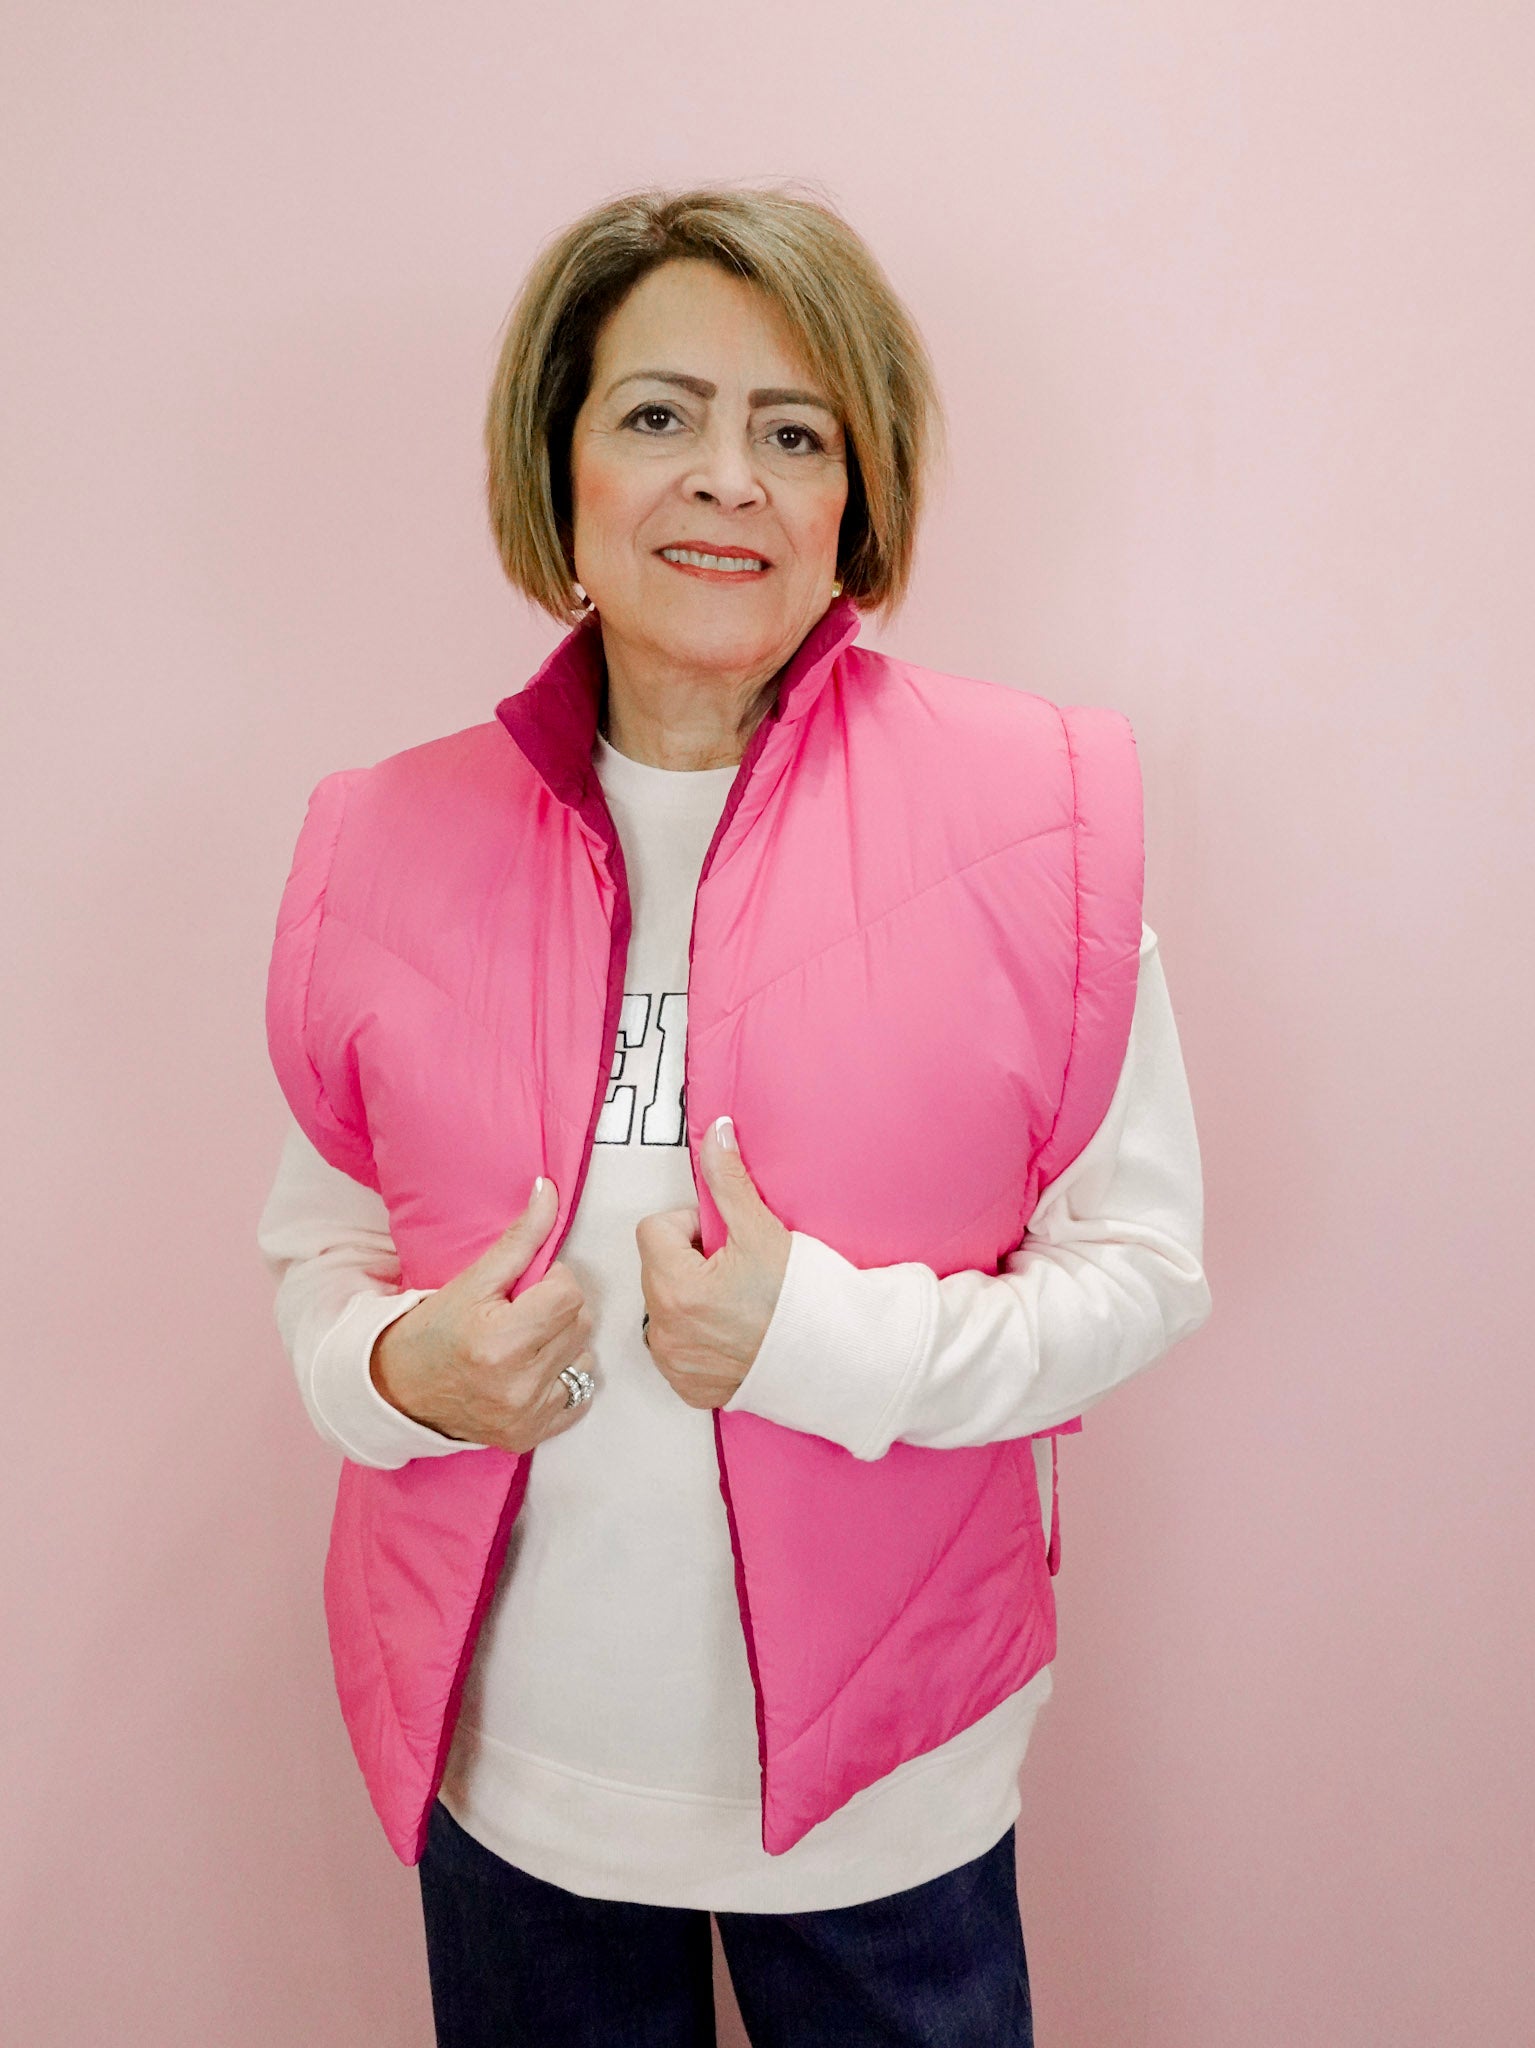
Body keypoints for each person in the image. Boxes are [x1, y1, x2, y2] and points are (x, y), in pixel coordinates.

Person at [257, 183, 1212, 2047]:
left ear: (857, 496)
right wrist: (398, 1374)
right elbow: (320, 1253)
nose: (727, 478)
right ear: (562, 465)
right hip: (509, 1781)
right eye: (658, 414)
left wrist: (815, 1341)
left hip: (889, 1795)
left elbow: (1143, 1270)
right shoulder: (380, 840)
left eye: (794, 433)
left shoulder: (1038, 825)